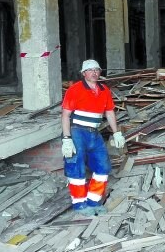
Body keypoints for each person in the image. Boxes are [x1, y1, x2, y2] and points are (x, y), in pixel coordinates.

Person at [61, 59, 126, 216]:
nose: (94, 72)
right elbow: (65, 115)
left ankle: (93, 201)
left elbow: (109, 112)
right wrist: (67, 138)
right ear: (84, 74)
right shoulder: (75, 90)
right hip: (77, 131)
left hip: (94, 132)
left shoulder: (104, 90)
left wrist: (116, 132)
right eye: (90, 70)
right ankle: (80, 205)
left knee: (103, 167)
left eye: (97, 70)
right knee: (76, 167)